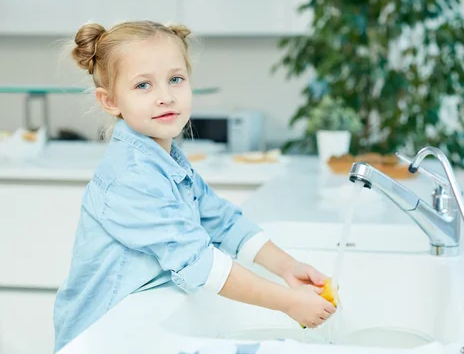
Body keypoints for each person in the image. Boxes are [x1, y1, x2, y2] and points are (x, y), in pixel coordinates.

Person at [52, 21, 336, 352]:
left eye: (176, 79)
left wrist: (289, 267)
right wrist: (287, 302)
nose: (166, 97)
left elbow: (223, 222)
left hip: (143, 320)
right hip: (102, 336)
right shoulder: (131, 177)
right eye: (143, 85)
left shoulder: (165, 159)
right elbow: (198, 261)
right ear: (110, 101)